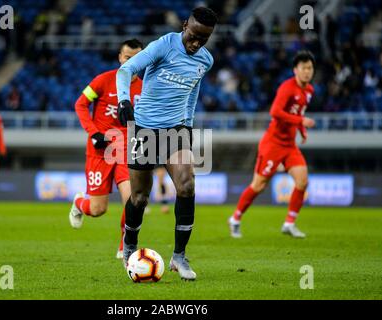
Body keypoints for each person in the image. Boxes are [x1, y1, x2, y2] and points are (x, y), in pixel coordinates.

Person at [116, 7, 218, 280]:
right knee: (139, 198)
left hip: (177, 130)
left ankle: (179, 257)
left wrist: (188, 123)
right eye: (193, 36)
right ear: (185, 25)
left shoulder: (205, 60)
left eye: (203, 40)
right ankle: (130, 247)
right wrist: (123, 100)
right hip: (145, 129)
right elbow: (126, 71)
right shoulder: (164, 45)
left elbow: (192, 92)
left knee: (187, 185)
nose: (196, 44)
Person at [228, 51, 316, 239]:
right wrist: (301, 120)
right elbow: (275, 111)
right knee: (258, 185)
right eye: (304, 68)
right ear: (295, 70)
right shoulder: (287, 88)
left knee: (302, 180)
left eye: (310, 68)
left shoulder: (309, 91)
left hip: (290, 145)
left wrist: (302, 130)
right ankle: (235, 218)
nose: (307, 72)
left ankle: (289, 223)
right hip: (273, 144)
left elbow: (296, 112)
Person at [69, 39, 143, 259]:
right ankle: (79, 203)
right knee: (98, 209)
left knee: (133, 199)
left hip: (127, 150)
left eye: (137, 58)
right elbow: (80, 104)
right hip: (100, 151)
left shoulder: (146, 87)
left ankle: (125, 245)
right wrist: (94, 134)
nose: (132, 62)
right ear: (120, 57)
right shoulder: (103, 80)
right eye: (128, 57)